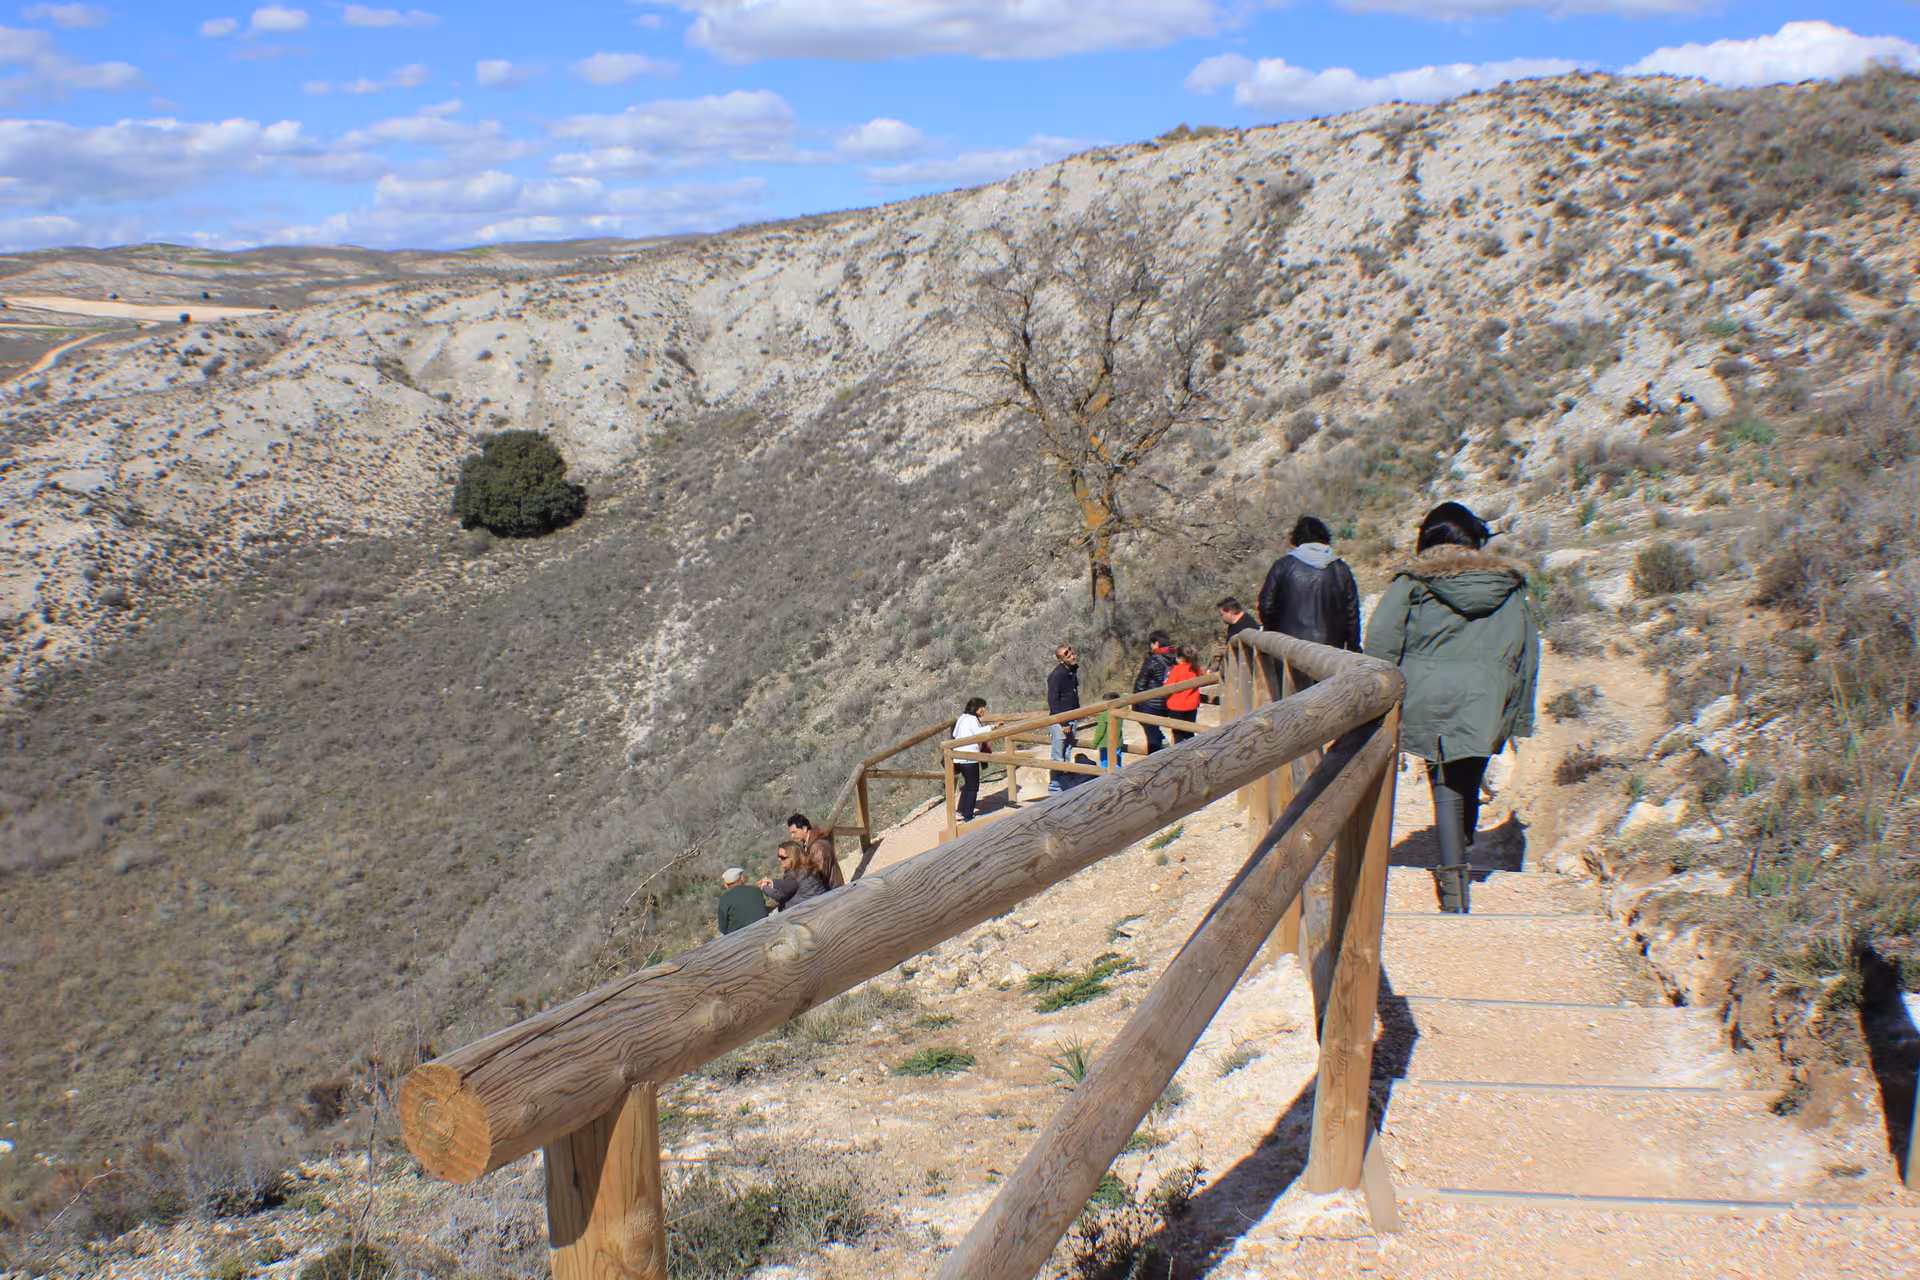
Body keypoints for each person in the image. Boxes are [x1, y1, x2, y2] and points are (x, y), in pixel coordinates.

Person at [1363, 501, 1539, 915]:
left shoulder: (1412, 582)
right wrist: (1518, 711)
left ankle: (1454, 885)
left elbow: (1380, 643)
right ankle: (1460, 841)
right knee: (1467, 774)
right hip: (1487, 695)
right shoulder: (1511, 586)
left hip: (1428, 694)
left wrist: (1375, 700)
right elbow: (1526, 653)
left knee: (1443, 781)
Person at [1258, 516, 1362, 652]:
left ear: (1297, 538)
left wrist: (1273, 633)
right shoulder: (1341, 569)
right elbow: (1352, 614)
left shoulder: (1282, 566)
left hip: (1288, 650)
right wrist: (1353, 646)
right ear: (1324, 537)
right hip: (1330, 653)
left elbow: (1267, 607)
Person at [1131, 631, 1177, 754]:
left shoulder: (1153, 660)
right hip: (1170, 700)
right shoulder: (1177, 657)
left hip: (1151, 702)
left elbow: (1141, 683)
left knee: (1152, 736)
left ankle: (1156, 760)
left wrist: (1135, 702)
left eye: (1151, 643)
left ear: (1156, 643)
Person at [1046, 644, 1081, 794]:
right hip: (1061, 721)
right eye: (1068, 655)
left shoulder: (1071, 671)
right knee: (1058, 756)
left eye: (1072, 653)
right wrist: (1064, 722)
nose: (1072, 656)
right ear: (1060, 660)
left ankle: (1064, 786)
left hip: (1071, 718)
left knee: (1067, 753)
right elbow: (1053, 701)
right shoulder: (1057, 675)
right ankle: (1055, 788)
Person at [951, 696, 990, 822]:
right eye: (983, 707)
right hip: (970, 757)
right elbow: (978, 733)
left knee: (968, 785)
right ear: (978, 708)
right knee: (973, 786)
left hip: (958, 757)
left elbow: (954, 734)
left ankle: (960, 810)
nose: (984, 710)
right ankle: (968, 814)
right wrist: (992, 727)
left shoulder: (962, 718)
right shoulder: (973, 719)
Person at [761, 839, 827, 910]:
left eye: (783, 857)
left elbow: (779, 895)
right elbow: (788, 885)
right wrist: (774, 883)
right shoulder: (808, 867)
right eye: (778, 856)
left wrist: (764, 887)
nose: (779, 859)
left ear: (793, 857)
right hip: (819, 904)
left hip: (807, 911)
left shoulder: (794, 874)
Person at [787, 812, 843, 888]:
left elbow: (819, 875)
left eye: (794, 832)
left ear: (804, 829)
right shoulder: (807, 844)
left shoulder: (818, 847)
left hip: (832, 890)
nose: (792, 836)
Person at [1165, 646, 1204, 743]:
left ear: (1180, 657)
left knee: (1177, 733)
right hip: (1192, 704)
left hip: (1176, 706)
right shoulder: (1196, 669)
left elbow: (1168, 686)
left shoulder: (1177, 670)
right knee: (1189, 731)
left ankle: (1180, 754)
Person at [716, 867, 769, 935]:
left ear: (726, 885)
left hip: (740, 938)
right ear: (742, 879)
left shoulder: (725, 898)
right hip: (764, 931)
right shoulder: (756, 890)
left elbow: (723, 927)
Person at [1090, 692, 1122, 769]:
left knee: (1104, 765)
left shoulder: (1104, 715)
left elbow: (1101, 730)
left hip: (1105, 743)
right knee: (1117, 764)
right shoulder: (1121, 713)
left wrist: (1095, 742)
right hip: (1118, 742)